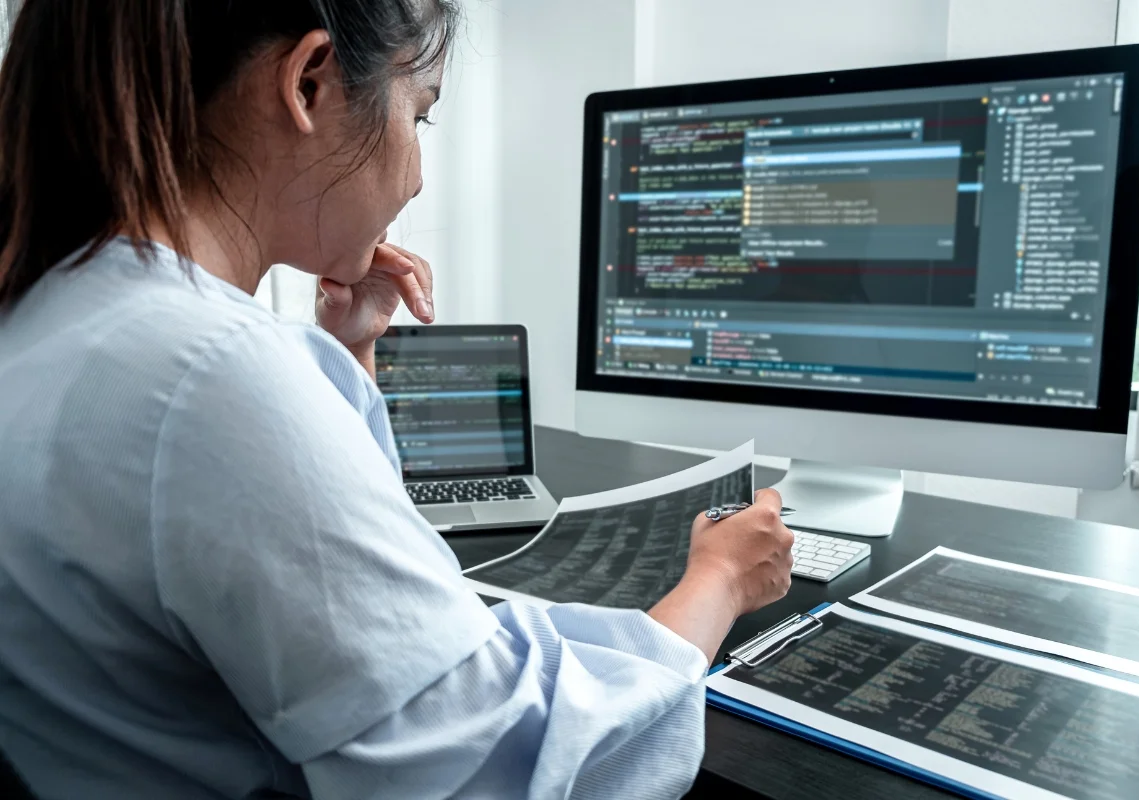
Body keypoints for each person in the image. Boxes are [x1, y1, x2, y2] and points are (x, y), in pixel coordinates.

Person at [0, 2, 795, 798]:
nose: (417, 174)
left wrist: (348, 360)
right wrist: (718, 582)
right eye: (422, 115)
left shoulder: (53, 317)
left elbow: (384, 626)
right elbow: (514, 772)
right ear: (309, 85)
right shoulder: (214, 373)